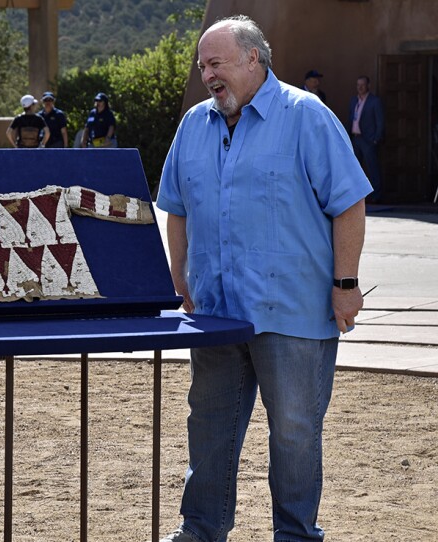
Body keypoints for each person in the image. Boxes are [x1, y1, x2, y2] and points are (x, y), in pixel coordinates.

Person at [155, 15, 372, 542]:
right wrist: (178, 280)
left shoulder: (307, 116)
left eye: (217, 63)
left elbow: (348, 203)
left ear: (254, 59)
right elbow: (177, 208)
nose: (208, 75)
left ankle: (295, 535)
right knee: (208, 427)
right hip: (215, 313)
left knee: (295, 434)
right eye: (203, 66)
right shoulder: (193, 124)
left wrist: (345, 285)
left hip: (291, 310)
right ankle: (201, 530)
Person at [347, 75, 385, 202]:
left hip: (368, 140)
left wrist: (376, 139)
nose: (360, 88)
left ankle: (376, 196)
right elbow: (351, 118)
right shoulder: (354, 100)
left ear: (368, 86)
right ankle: (356, 197)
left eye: (363, 85)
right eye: (358, 85)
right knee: (354, 168)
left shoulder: (374, 101)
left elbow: (380, 122)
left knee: (372, 167)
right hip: (356, 138)